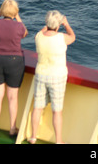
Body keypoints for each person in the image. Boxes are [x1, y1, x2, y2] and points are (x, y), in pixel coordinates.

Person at [28, 11, 75, 144]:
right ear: (58, 25)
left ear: (47, 23)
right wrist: (66, 24)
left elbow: (43, 30)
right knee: (57, 111)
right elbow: (73, 37)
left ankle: (33, 136)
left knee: (37, 108)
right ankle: (58, 141)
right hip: (57, 77)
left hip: (41, 74)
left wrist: (49, 24)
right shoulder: (62, 38)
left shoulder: (38, 36)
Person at [0, 0, 28, 138]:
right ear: (15, 12)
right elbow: (25, 33)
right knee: (12, 97)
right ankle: (11, 129)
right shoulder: (19, 26)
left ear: (2, 11)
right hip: (14, 61)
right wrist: (18, 17)